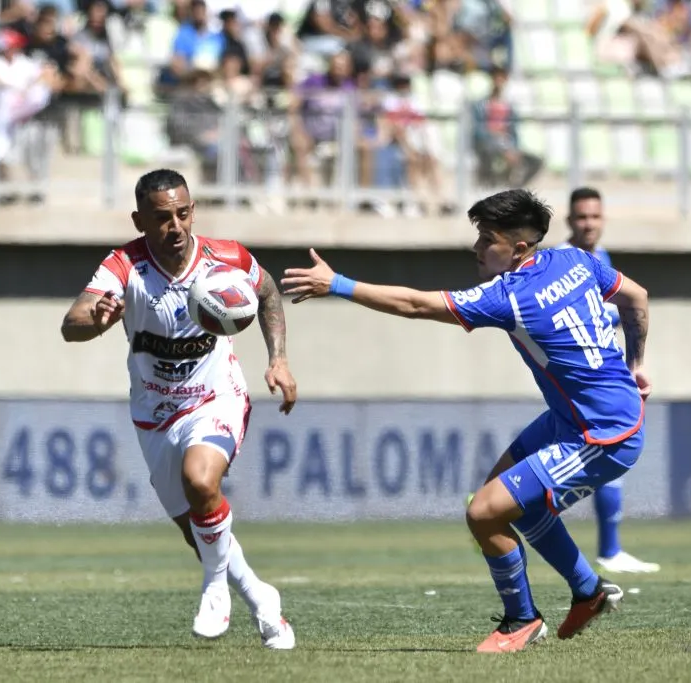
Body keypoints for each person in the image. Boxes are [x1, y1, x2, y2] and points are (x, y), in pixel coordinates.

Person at [282, 189, 651, 653]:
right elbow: (636, 297)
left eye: (486, 239)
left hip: (603, 434)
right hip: (576, 416)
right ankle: (587, 591)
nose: (476, 248)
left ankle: (522, 620)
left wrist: (337, 284)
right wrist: (636, 364)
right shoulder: (576, 259)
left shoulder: (509, 296)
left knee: (482, 512)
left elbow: (416, 304)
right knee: (499, 498)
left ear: (518, 248)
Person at [60, 169, 297, 649]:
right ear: (140, 220)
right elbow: (71, 324)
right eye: (163, 217)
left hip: (216, 395)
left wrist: (278, 359)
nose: (176, 226)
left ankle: (214, 589)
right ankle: (261, 599)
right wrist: (97, 319)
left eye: (184, 213)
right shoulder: (124, 265)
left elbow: (268, 290)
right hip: (154, 413)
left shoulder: (226, 259)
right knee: (199, 531)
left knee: (201, 481)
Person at [558, 187, 660, 575]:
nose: (589, 224)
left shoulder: (601, 258)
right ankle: (506, 500)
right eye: (582, 217)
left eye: (595, 217)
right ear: (569, 221)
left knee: (606, 455)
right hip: (578, 377)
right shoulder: (562, 259)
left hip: (605, 372)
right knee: (598, 453)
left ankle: (610, 549)